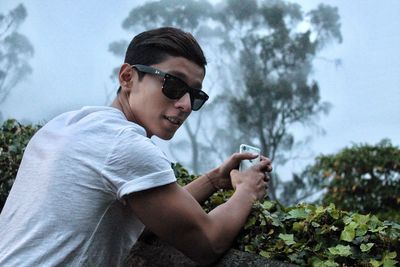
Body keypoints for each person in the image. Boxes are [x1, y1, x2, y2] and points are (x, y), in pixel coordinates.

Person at [0, 27, 272, 266]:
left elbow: (146, 220)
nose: (186, 105)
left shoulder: (66, 125)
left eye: (195, 95)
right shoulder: (124, 146)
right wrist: (247, 191)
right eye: (174, 84)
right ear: (128, 77)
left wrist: (213, 180)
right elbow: (208, 242)